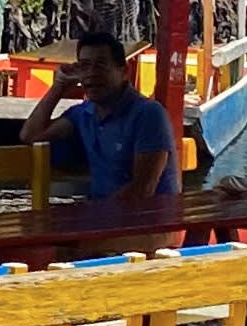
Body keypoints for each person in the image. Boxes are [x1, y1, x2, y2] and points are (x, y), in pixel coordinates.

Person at [20, 30, 179, 205]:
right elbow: (31, 135)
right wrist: (59, 86)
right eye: (84, 66)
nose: (91, 74)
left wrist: (94, 215)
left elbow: (142, 190)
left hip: (146, 217)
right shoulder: (83, 114)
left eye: (101, 66)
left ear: (124, 71)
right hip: (102, 213)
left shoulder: (148, 114)